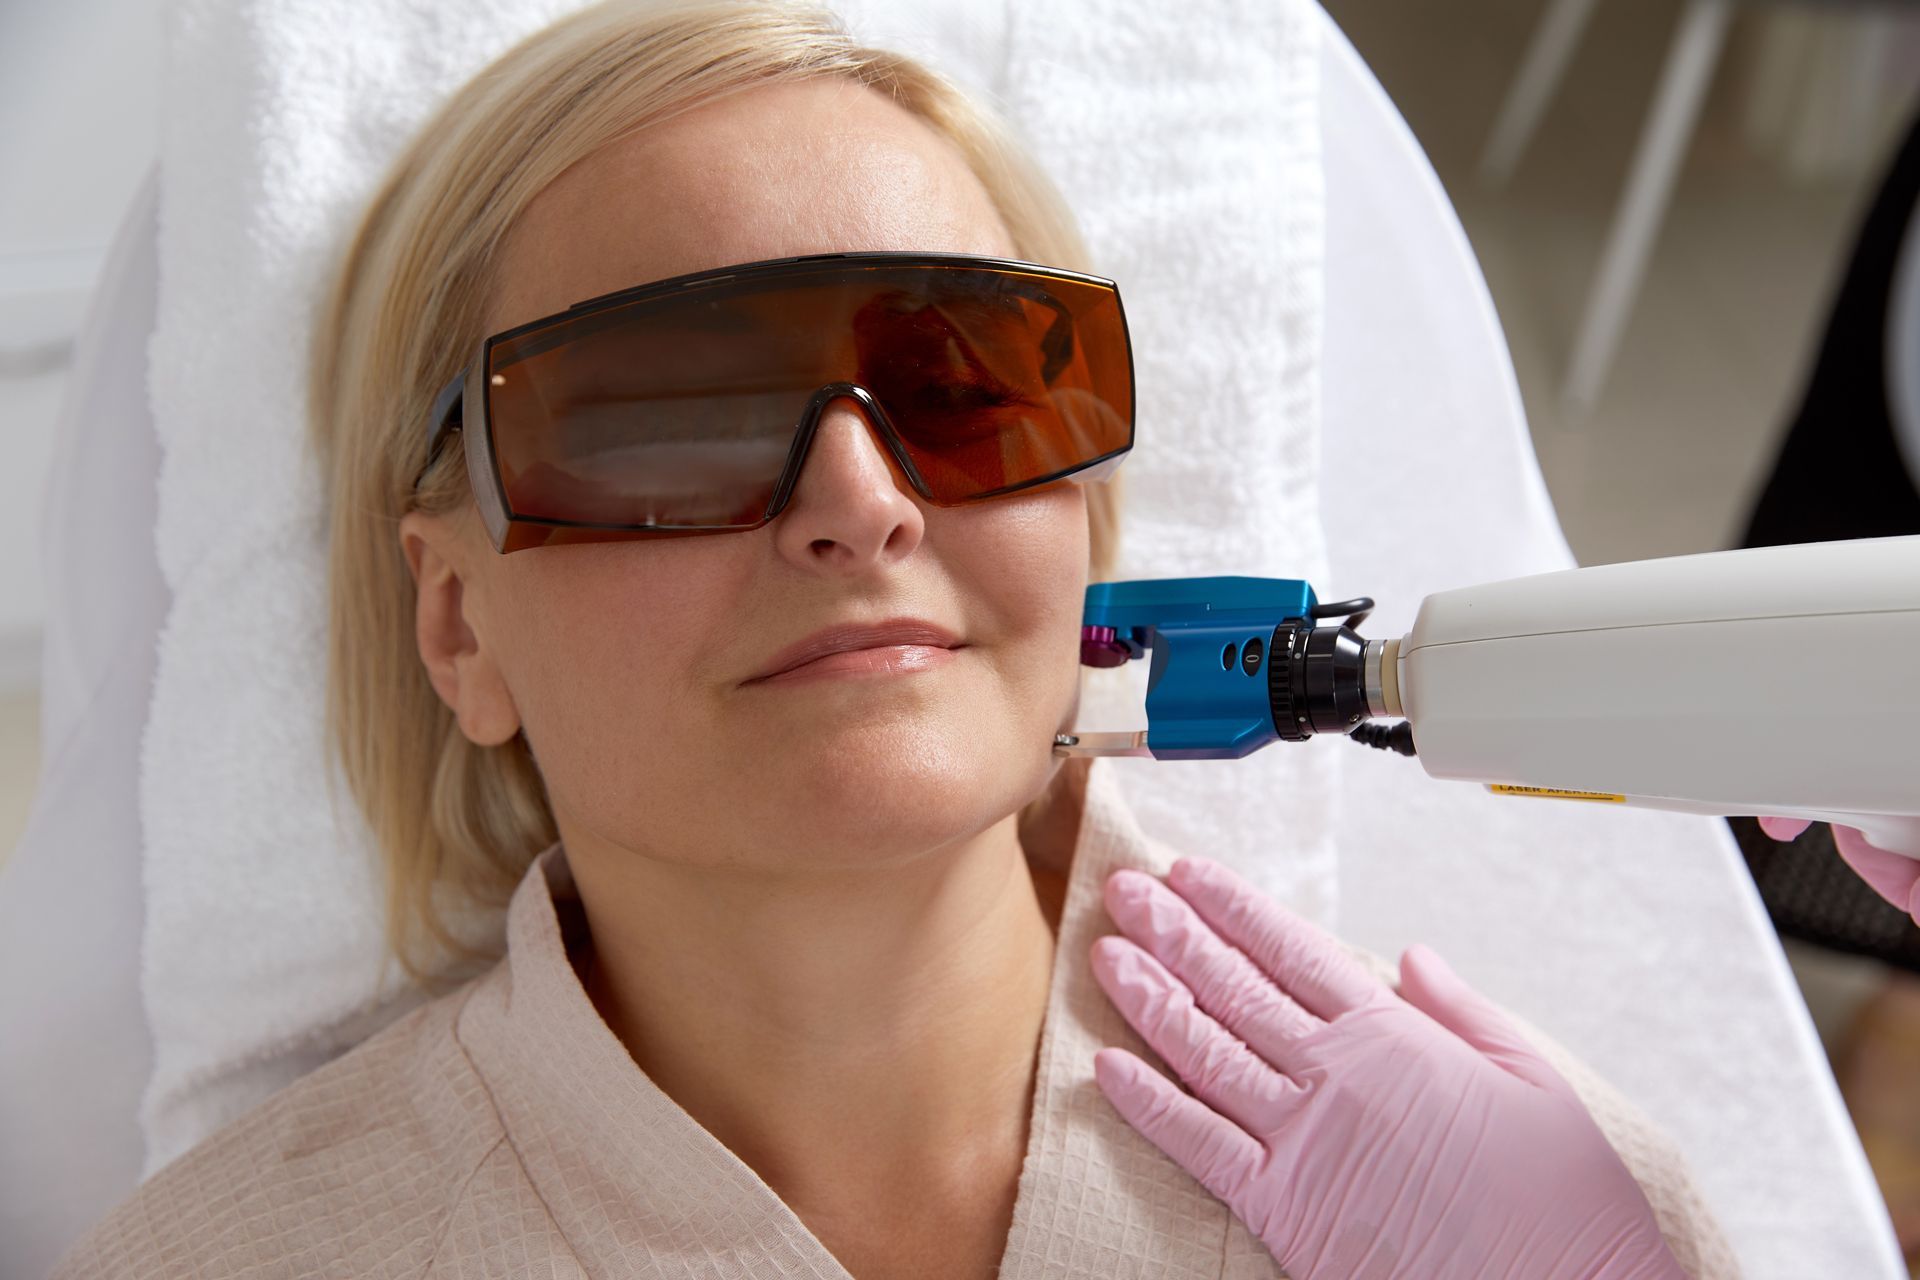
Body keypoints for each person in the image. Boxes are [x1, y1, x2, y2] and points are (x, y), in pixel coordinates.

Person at [51, 2, 1736, 1275]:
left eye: (959, 387)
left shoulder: (1508, 1211)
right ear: (457, 620)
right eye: (671, 419)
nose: (858, 502)